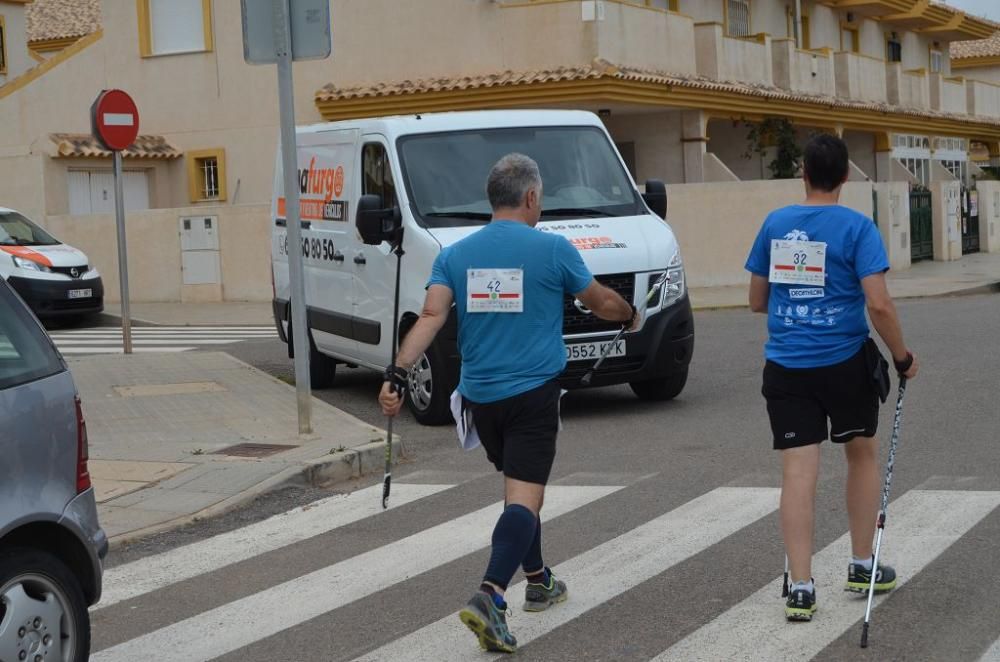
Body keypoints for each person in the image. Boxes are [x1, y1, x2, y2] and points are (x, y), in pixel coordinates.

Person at [378, 153, 637, 653]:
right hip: (532, 395)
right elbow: (601, 302)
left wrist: (397, 373)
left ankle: (538, 580)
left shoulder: (455, 254)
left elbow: (430, 317)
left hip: (480, 401)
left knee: (520, 489)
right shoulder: (553, 249)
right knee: (524, 498)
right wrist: (628, 314)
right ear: (532, 197)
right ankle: (491, 596)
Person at [744, 134, 919, 622]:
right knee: (860, 453)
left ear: (803, 174)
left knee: (798, 472)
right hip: (844, 362)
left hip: (786, 365)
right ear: (846, 176)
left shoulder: (776, 225)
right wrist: (901, 358)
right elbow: (878, 303)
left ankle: (801, 587)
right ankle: (862, 563)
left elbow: (757, 299)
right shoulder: (858, 228)